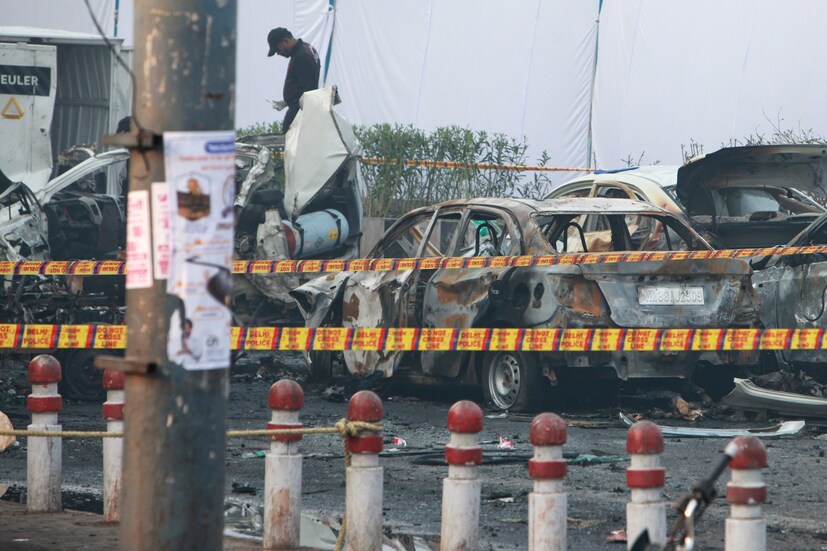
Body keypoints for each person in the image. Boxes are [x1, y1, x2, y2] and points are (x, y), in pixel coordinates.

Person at [266, 27, 320, 133]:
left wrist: (290, 119)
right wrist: (288, 100)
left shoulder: (302, 55)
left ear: (285, 41)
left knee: (290, 143)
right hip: (302, 108)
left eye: (278, 49)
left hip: (300, 112)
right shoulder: (306, 48)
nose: (278, 53)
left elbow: (307, 91)